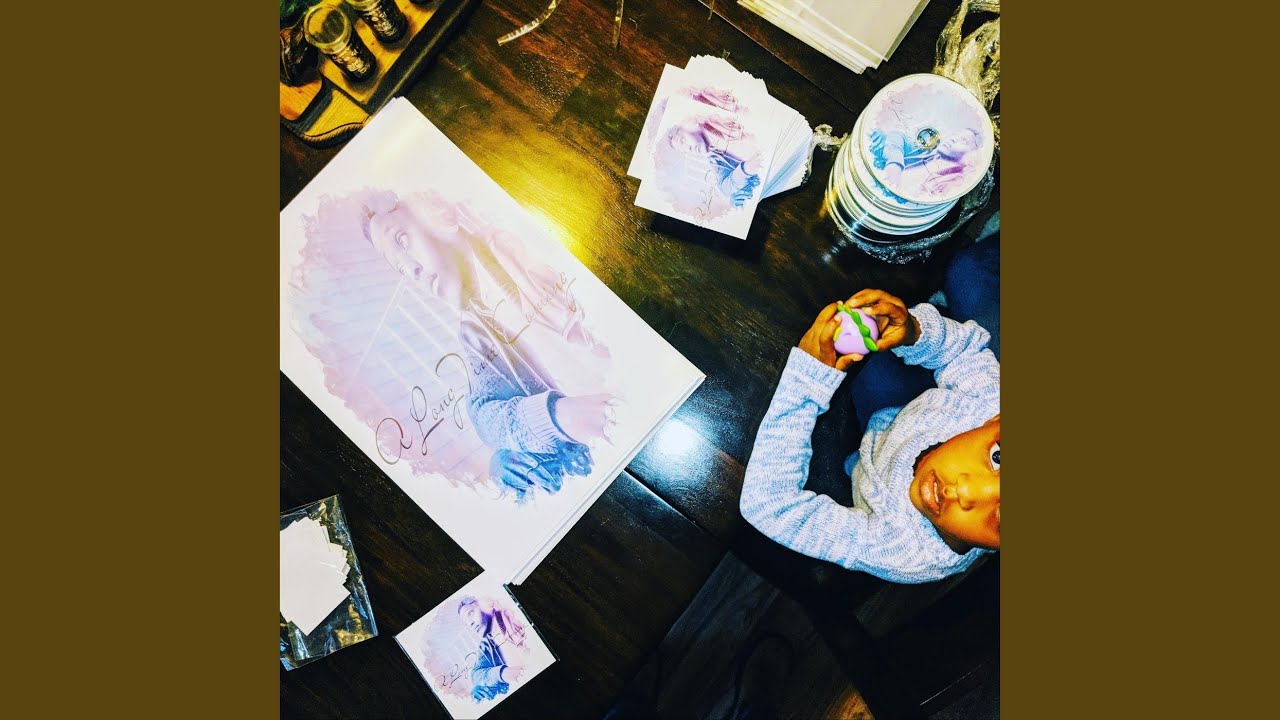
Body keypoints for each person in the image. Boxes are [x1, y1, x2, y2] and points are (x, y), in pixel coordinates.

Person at [738, 240, 1000, 583]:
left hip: (881, 435)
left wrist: (806, 381)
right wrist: (914, 332)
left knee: (871, 373)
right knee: (964, 271)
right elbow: (965, 352)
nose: (964, 491)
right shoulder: (992, 401)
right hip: (914, 410)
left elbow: (769, 505)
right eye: (998, 457)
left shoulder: (905, 552)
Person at [360, 189, 619, 502]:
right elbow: (484, 411)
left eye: (402, 241)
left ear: (438, 214)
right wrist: (544, 423)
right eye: (400, 267)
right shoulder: (473, 333)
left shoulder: (510, 240)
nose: (412, 269)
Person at [456, 596, 527, 702]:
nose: (470, 623)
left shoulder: (511, 616)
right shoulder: (486, 644)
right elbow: (476, 674)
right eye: (466, 622)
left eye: (470, 613)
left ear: (484, 604)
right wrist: (501, 673)